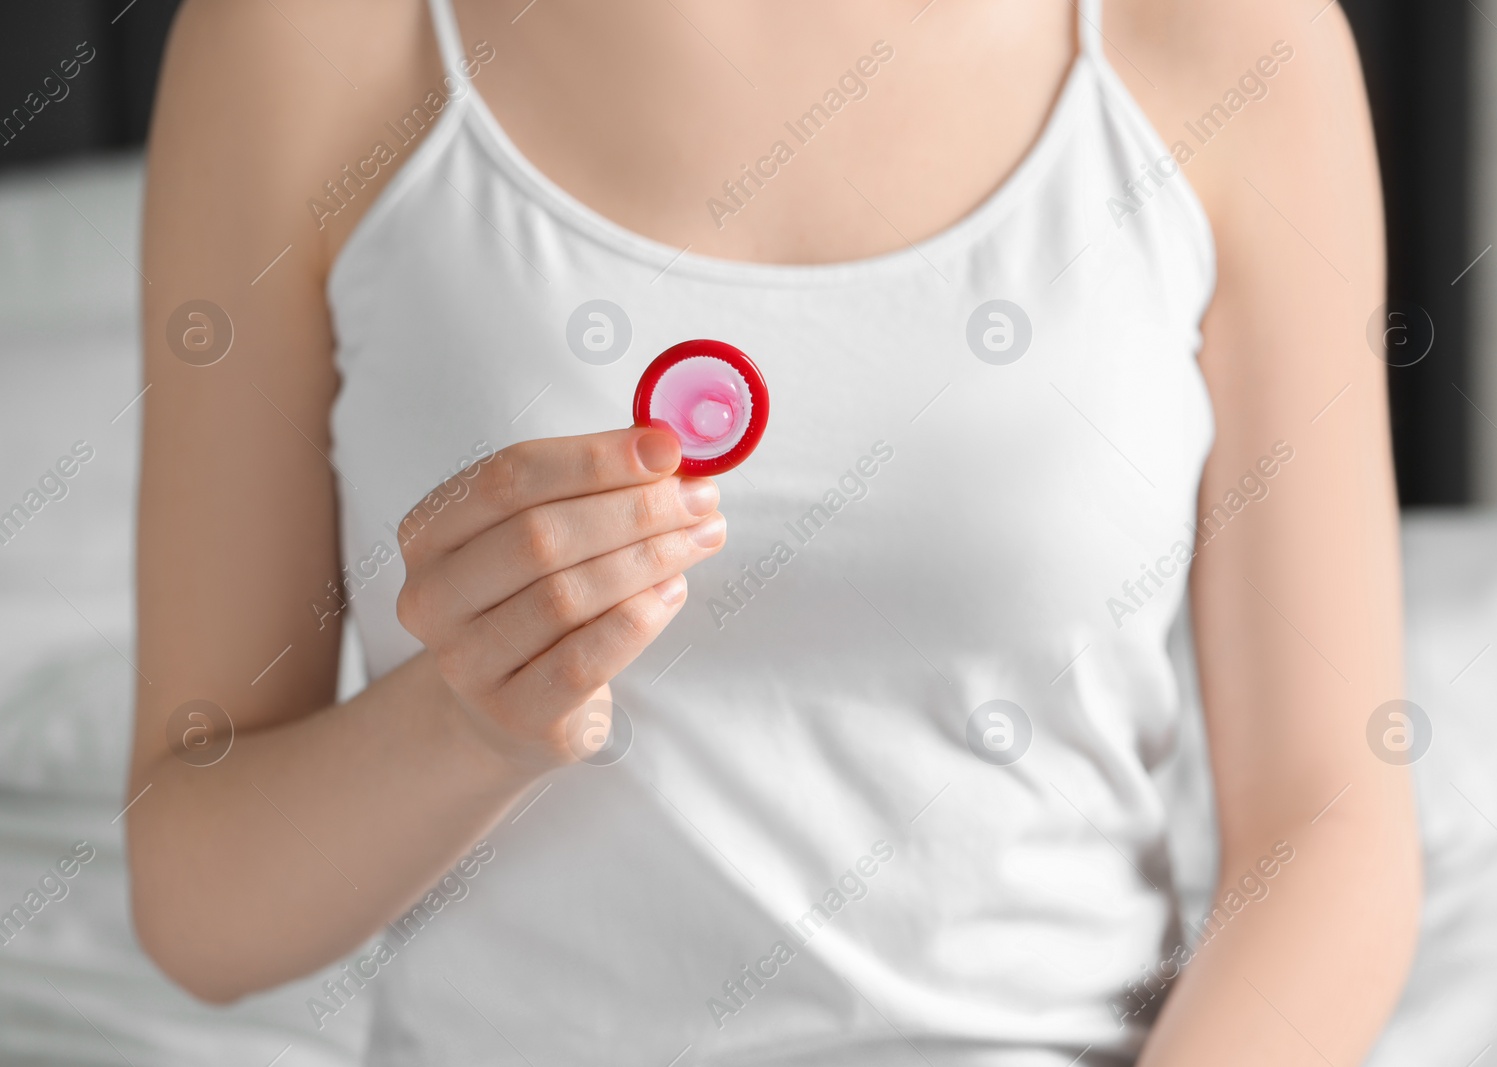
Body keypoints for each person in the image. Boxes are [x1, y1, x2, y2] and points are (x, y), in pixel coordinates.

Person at [128, 0, 1421, 1063]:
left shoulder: (1232, 41)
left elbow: (1332, 827)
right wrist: (463, 722)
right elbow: (196, 905)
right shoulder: (301, 42)